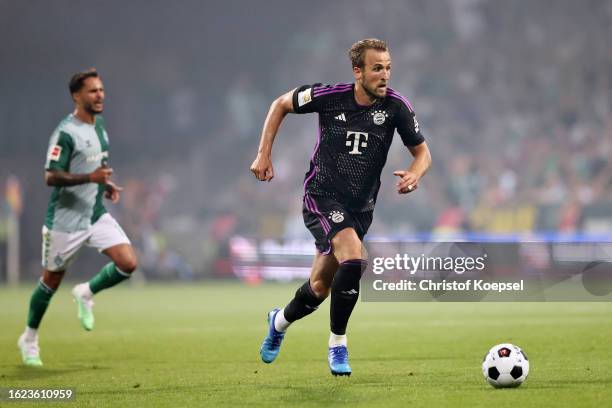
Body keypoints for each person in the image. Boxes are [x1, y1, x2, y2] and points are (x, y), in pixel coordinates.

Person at [250, 39, 432, 376]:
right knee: (355, 256)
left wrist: (415, 174)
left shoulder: (396, 108)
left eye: (389, 67)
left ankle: (278, 322)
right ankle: (338, 344)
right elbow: (280, 104)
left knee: (319, 288)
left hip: (360, 208)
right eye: (378, 68)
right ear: (358, 71)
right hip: (322, 196)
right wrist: (264, 153)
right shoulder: (329, 97)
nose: (385, 75)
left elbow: (423, 152)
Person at [17, 68, 138, 366]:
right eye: (93, 91)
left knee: (128, 262)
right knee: (50, 282)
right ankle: (29, 338)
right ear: (76, 95)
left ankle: (86, 291)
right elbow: (51, 176)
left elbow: (97, 165)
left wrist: (104, 183)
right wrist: (90, 177)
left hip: (94, 215)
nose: (99, 96)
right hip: (65, 221)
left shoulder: (100, 127)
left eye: (101, 90)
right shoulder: (65, 132)